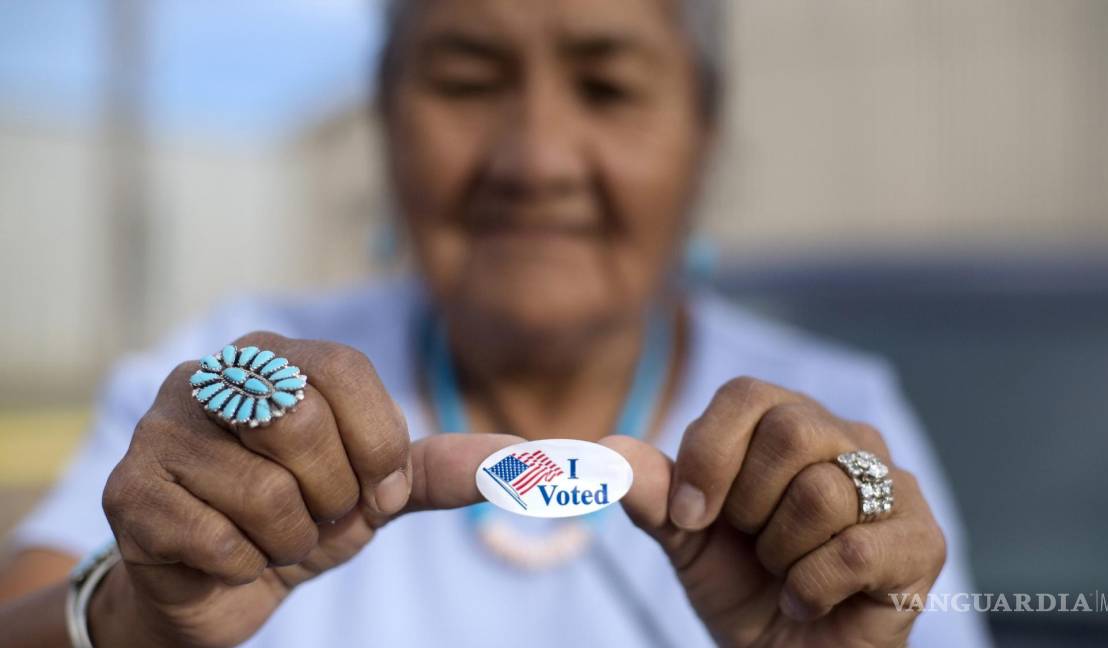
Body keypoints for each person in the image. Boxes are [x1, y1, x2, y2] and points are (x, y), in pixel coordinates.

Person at [0, 0, 992, 646]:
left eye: (606, 86)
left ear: (703, 138)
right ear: (386, 124)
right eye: (467, 81)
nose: (535, 158)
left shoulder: (838, 415)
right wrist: (137, 617)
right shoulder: (232, 377)